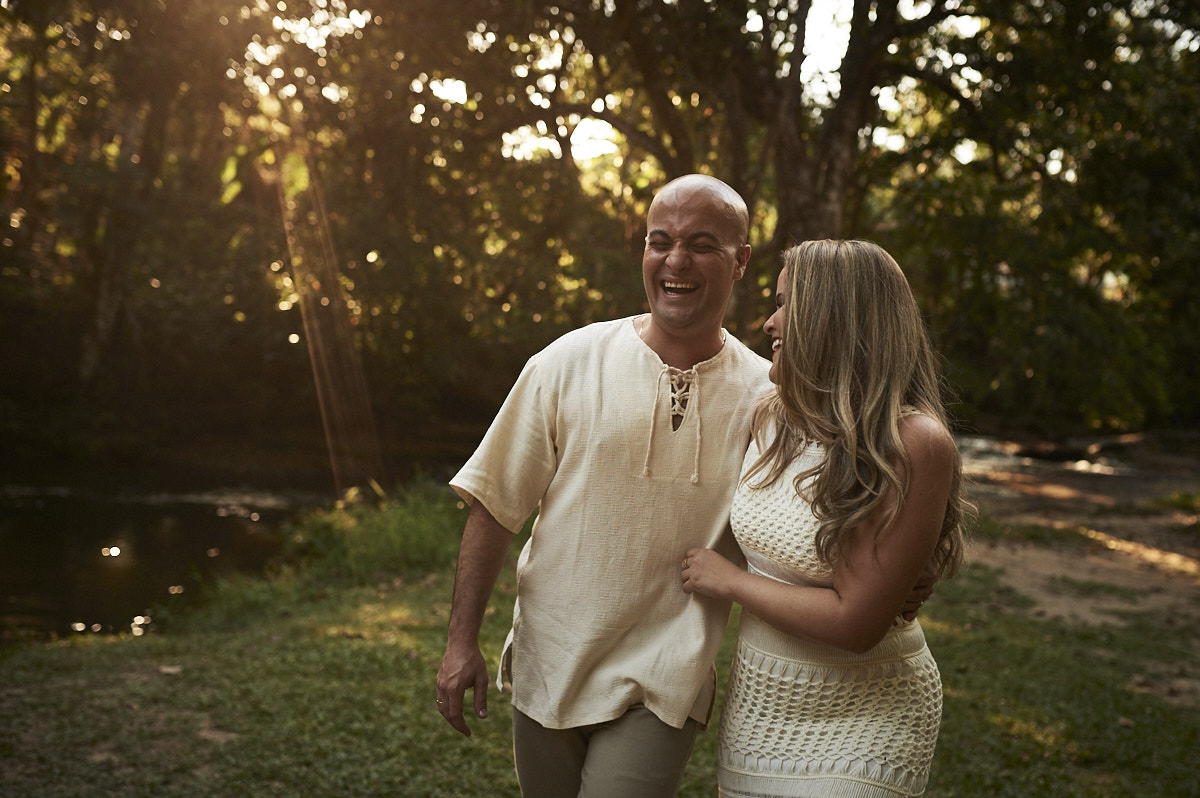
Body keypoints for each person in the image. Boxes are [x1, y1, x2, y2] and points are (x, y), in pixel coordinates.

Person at [436, 173, 772, 798]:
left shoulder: (767, 396)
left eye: (701, 244)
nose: (676, 260)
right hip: (552, 656)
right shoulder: (563, 363)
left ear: (740, 260)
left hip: (666, 671)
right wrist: (461, 644)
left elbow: (807, 510)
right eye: (659, 241)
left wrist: (890, 564)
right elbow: (494, 506)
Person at [680, 239, 970, 798]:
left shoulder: (914, 442)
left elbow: (856, 624)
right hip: (761, 708)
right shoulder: (772, 417)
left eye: (788, 304)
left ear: (837, 320)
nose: (770, 321)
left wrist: (732, 581)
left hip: (870, 717)